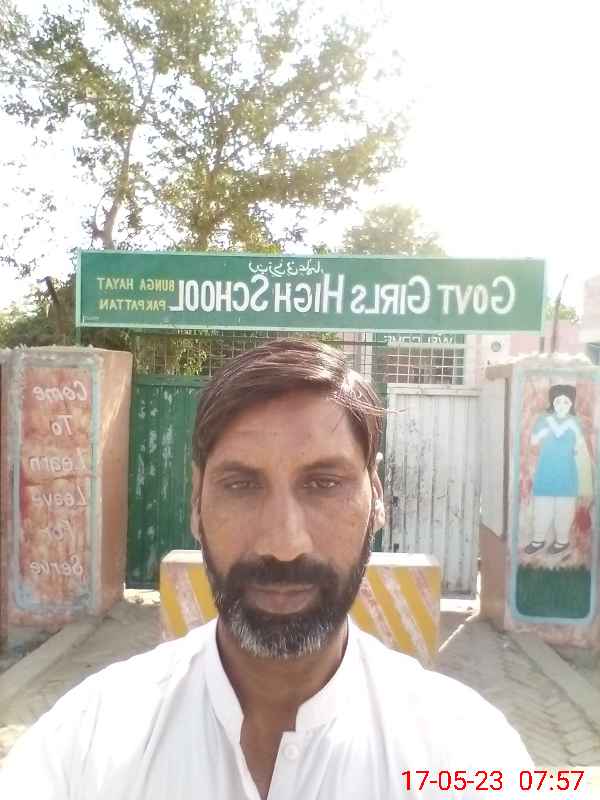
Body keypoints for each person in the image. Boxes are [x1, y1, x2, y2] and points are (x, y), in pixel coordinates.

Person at [1, 338, 534, 799]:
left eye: (324, 484)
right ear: (196, 502)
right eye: (241, 485)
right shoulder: (85, 744)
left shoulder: (466, 753)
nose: (284, 544)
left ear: (376, 497)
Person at [525, 383, 592, 555]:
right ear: (552, 402)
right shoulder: (543, 420)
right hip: (545, 472)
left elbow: (580, 448)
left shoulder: (576, 423)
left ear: (571, 404)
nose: (562, 405)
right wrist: (546, 431)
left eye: (566, 402)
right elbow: (533, 442)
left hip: (567, 474)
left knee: (565, 509)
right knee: (542, 508)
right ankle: (538, 540)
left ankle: (562, 541)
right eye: (558, 401)